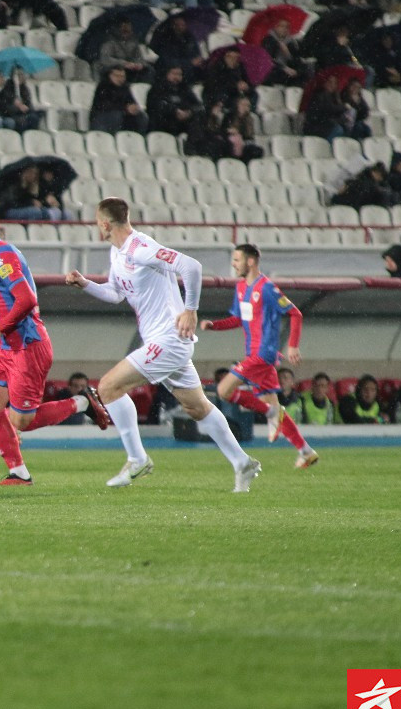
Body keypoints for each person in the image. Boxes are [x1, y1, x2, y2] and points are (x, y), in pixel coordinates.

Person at [65, 198, 263, 492]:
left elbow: (191, 267)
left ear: (105, 224)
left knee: (107, 387)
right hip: (166, 342)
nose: (97, 227)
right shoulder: (117, 253)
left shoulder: (140, 247)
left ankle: (137, 459)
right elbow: (116, 294)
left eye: (97, 222)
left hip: (168, 339)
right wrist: (85, 284)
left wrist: (191, 310)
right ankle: (242, 462)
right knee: (197, 407)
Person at [0, 204, 109, 485]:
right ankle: (19, 471)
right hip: (6, 346)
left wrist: (1, 327)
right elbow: (4, 301)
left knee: (20, 421)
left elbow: (27, 299)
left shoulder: (1, 256)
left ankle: (81, 402)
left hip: (27, 345)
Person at [199, 244, 317, 469]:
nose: (233, 264)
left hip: (264, 354)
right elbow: (238, 320)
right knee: (273, 408)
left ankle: (270, 413)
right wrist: (214, 326)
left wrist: (292, 346)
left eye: (236, 260)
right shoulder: (241, 287)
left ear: (250, 261)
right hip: (254, 354)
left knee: (224, 390)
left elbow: (295, 313)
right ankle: (305, 451)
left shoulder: (267, 288)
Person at [90, 66, 148, 134]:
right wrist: (125, 108)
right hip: (102, 116)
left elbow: (131, 101)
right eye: (117, 76)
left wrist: (134, 107)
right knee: (117, 115)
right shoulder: (103, 87)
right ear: (110, 75)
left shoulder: (124, 87)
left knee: (141, 116)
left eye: (122, 76)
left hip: (121, 114)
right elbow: (103, 105)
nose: (120, 78)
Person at [147, 65, 201, 136]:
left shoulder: (184, 88)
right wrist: (175, 111)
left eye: (179, 74)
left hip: (185, 122)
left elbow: (197, 104)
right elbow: (156, 105)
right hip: (165, 122)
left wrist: (189, 112)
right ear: (167, 74)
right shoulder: (157, 88)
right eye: (174, 74)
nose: (177, 77)